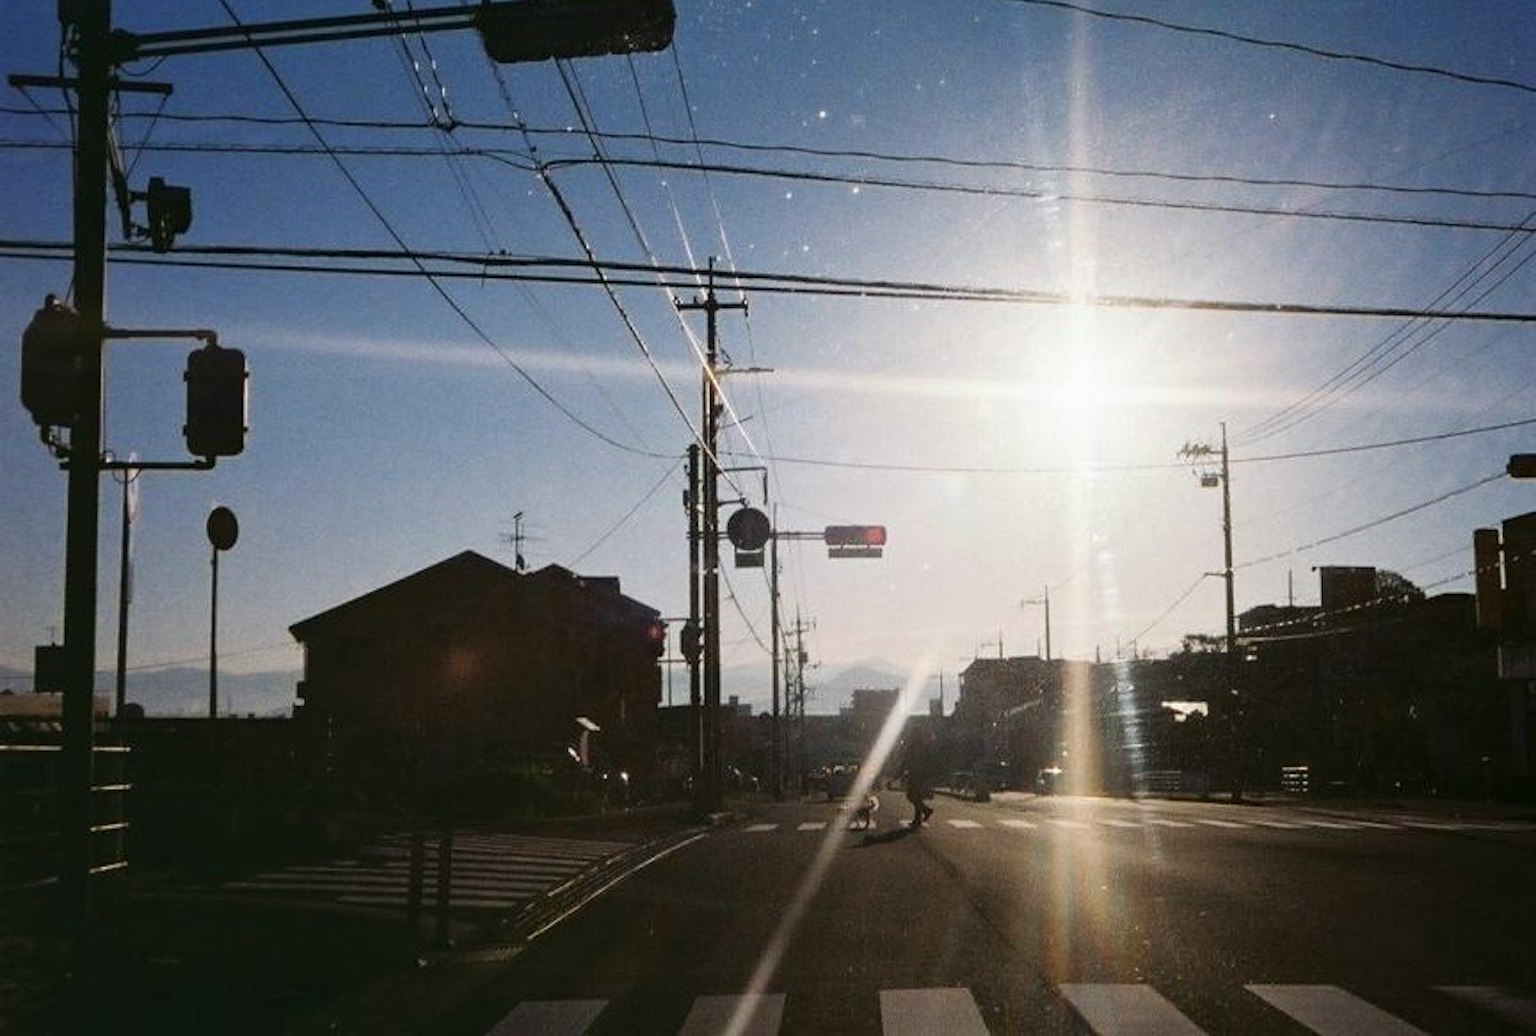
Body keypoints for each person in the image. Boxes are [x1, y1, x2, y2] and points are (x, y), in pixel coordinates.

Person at [903, 733, 937, 828]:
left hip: (917, 776)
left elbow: (907, 762)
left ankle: (925, 812)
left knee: (913, 796)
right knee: (916, 797)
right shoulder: (920, 747)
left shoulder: (916, 747)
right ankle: (920, 816)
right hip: (917, 776)